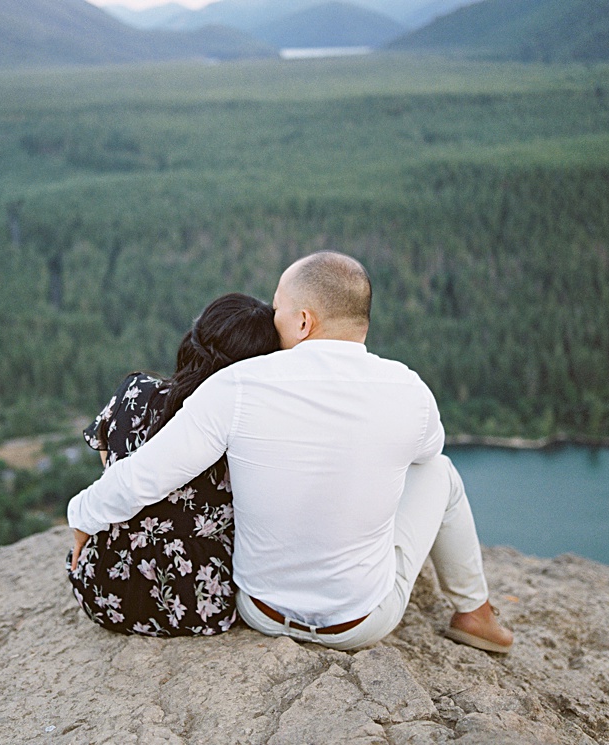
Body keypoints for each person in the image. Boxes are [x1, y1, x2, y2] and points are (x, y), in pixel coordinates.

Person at [68, 251, 513, 653]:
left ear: (303, 321)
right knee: (441, 471)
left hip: (261, 613)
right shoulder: (409, 390)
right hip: (359, 624)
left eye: (277, 307)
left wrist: (81, 517)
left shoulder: (237, 385)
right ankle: (475, 614)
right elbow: (428, 454)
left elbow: (144, 475)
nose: (271, 317)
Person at [67, 292, 279, 636]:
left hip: (104, 588)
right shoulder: (248, 430)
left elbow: (108, 458)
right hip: (198, 601)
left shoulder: (136, 390)